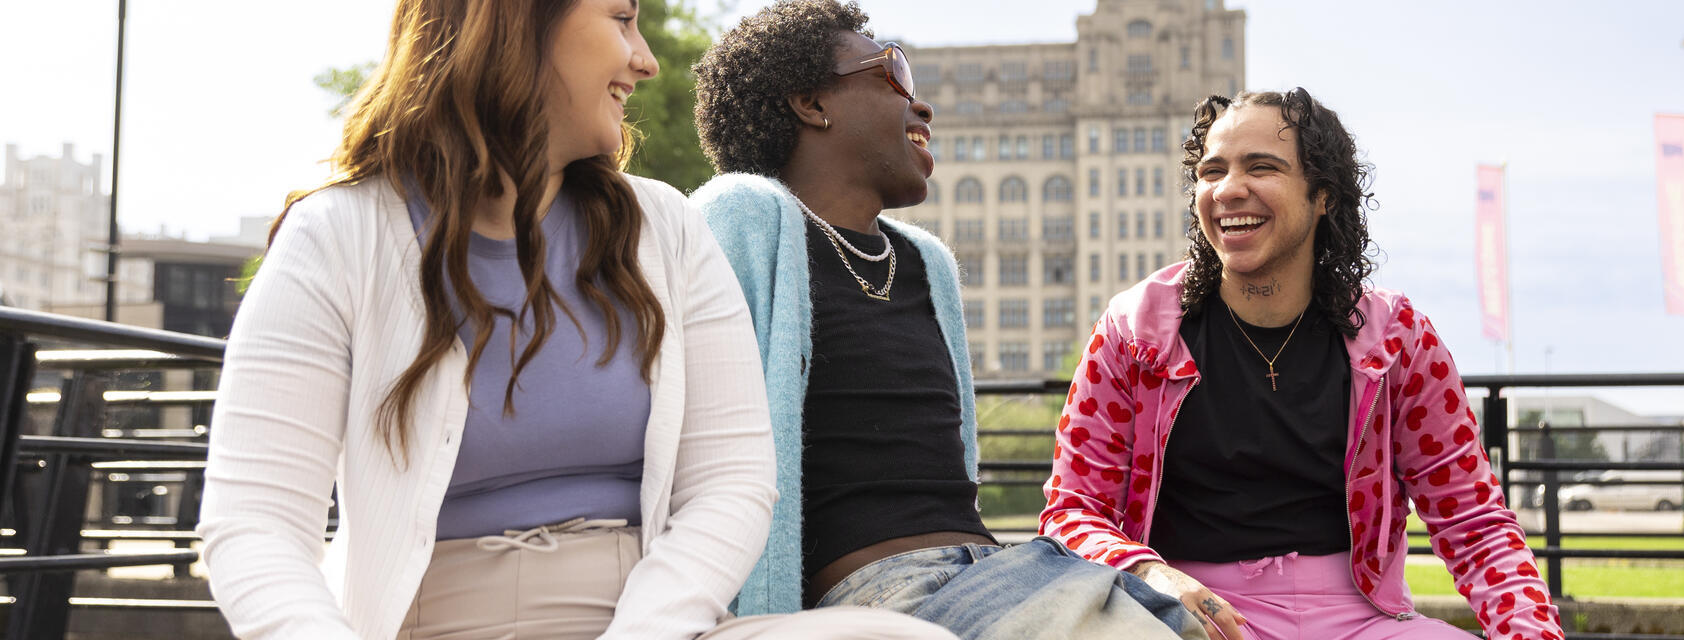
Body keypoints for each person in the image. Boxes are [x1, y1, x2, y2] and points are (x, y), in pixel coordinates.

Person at [197, 1, 950, 638]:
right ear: (519, 23)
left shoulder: (669, 228)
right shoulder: (337, 234)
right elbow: (253, 524)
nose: (646, 60)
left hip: (654, 621)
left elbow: (734, 482)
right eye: (622, 19)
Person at [687, 2, 1203, 639]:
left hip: (1006, 567)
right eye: (893, 73)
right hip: (886, 589)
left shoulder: (925, 263)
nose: (921, 105)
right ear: (812, 103)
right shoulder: (746, 217)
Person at [1044, 89, 1565, 640]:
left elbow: (1474, 522)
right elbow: (1071, 511)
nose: (1228, 189)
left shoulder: (1396, 338)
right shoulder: (1136, 330)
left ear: (1324, 196)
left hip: (1364, 621)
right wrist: (1149, 575)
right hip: (1193, 620)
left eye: (1261, 167)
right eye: (1211, 171)